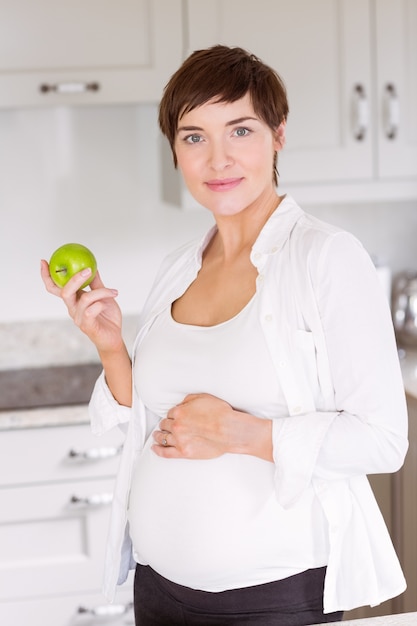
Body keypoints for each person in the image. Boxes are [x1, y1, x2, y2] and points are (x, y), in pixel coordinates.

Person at [41, 45, 408, 626]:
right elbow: (152, 417)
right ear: (175, 152)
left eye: (240, 129)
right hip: (159, 589)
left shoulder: (326, 257)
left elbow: (383, 440)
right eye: (193, 137)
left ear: (278, 135)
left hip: (270, 599)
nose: (218, 159)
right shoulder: (178, 268)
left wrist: (239, 432)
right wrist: (110, 346)